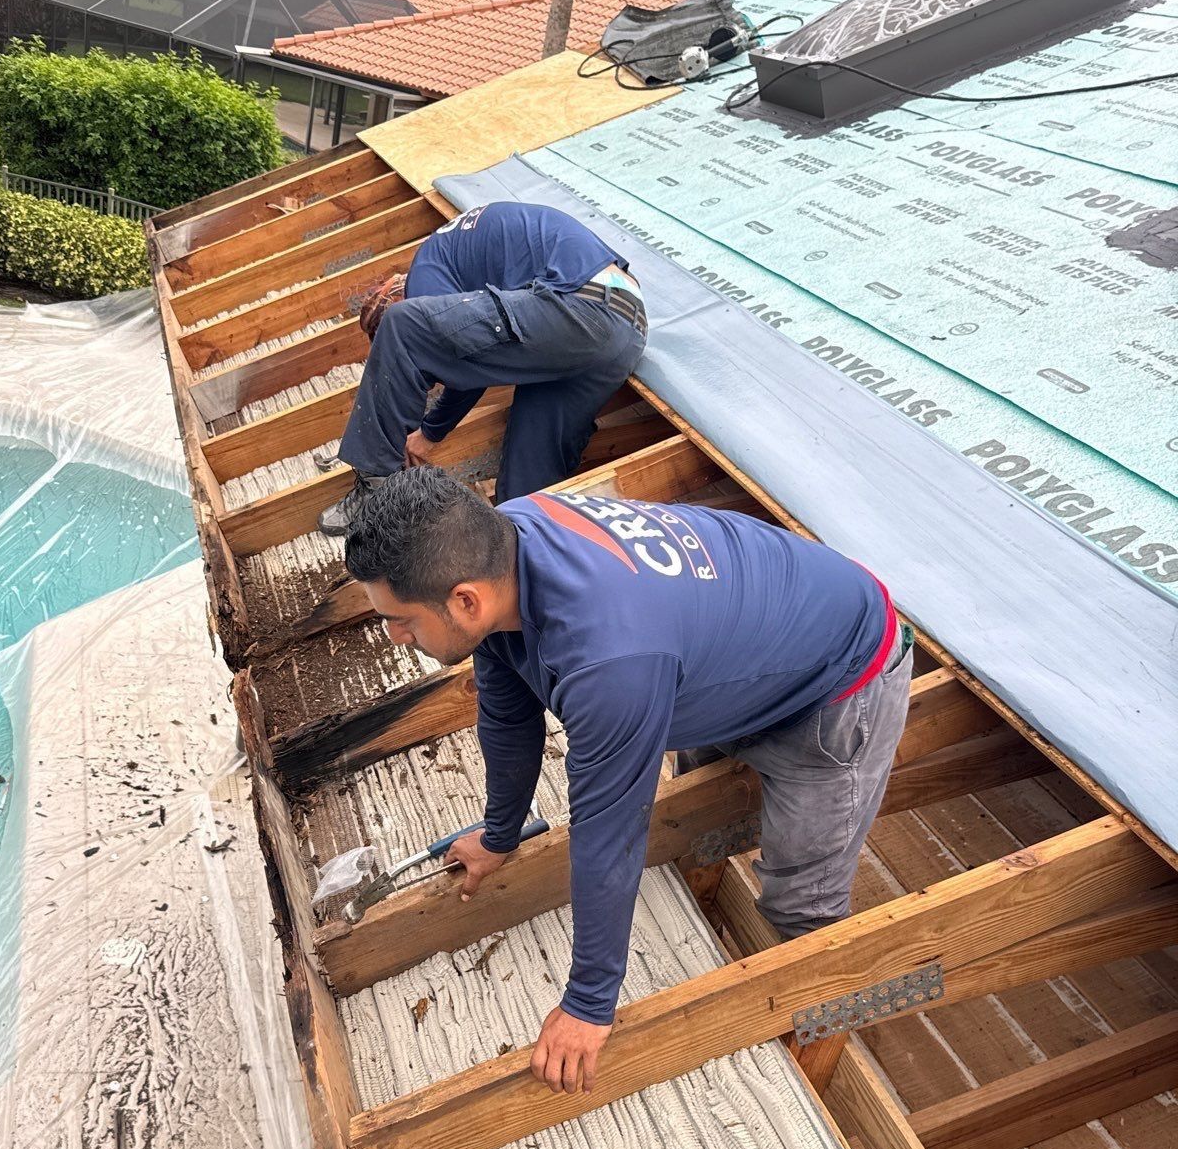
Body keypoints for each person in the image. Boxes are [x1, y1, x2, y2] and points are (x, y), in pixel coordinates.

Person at [345, 470, 913, 1097]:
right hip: (726, 652)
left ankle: (822, 1033)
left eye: (399, 620)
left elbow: (610, 835)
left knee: (800, 905)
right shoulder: (504, 540)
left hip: (840, 680)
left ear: (465, 601)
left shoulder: (611, 665)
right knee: (710, 825)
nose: (395, 636)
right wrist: (500, 835)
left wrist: (590, 1003)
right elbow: (508, 712)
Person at [316, 201, 648, 536]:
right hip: (625, 328)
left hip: (576, 302)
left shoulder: (425, 270)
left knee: (402, 327)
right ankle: (534, 545)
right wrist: (430, 427)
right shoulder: (457, 252)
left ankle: (375, 488)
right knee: (529, 475)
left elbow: (461, 357)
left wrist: (429, 433)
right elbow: (474, 355)